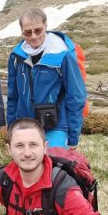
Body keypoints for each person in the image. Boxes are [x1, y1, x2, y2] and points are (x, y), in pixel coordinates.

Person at [6, 8, 86, 149]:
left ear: (46, 27)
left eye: (38, 30)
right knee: (26, 166)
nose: (33, 36)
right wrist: (11, 130)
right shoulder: (16, 57)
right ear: (22, 32)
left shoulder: (63, 55)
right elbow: (13, 97)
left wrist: (73, 137)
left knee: (54, 165)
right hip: (25, 124)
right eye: (27, 32)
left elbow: (76, 96)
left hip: (56, 125)